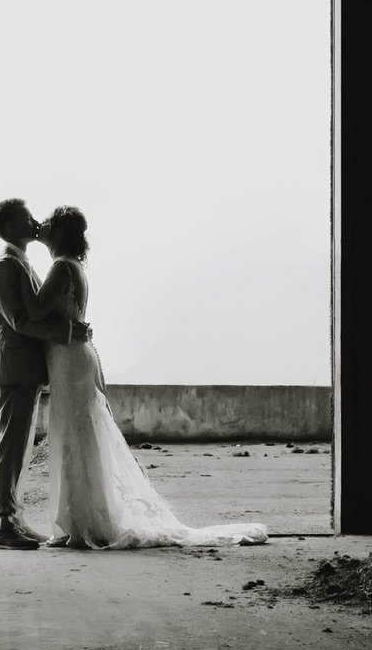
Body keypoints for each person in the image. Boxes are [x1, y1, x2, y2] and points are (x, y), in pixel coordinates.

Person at [29, 205, 269, 549]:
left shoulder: (60, 268)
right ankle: (81, 520)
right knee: (81, 437)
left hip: (68, 358)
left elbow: (36, 312)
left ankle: (81, 523)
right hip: (74, 356)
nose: (42, 225)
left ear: (60, 232)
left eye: (48, 223)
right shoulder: (74, 267)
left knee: (73, 437)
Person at [0, 197, 92, 550]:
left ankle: (15, 519)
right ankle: (2, 523)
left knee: (21, 447)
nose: (35, 222)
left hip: (28, 368)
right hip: (15, 367)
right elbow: (19, 321)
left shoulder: (22, 263)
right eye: (27, 217)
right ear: (11, 227)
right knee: (11, 446)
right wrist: (66, 332)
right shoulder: (4, 267)